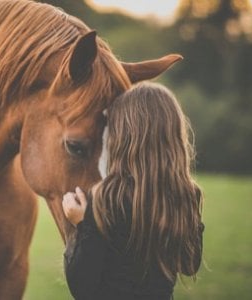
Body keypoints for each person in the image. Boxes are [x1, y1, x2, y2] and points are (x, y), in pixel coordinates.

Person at [62, 82, 204, 300]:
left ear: (123, 137)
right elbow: (189, 265)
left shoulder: (105, 198)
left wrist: (82, 224)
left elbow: (83, 287)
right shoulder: (186, 195)